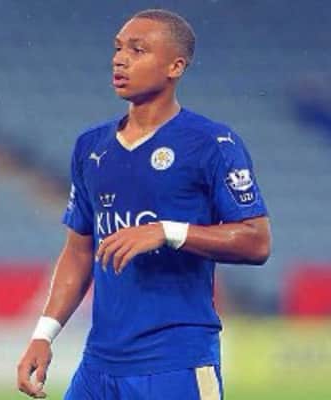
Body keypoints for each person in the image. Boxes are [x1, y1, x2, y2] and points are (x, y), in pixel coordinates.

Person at [17, 8, 271, 400]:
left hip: (176, 363)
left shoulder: (212, 143)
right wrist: (44, 334)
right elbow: (79, 251)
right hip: (99, 366)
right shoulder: (91, 147)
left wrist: (167, 232)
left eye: (138, 50)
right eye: (118, 48)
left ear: (175, 66)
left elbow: (257, 241)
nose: (120, 59)